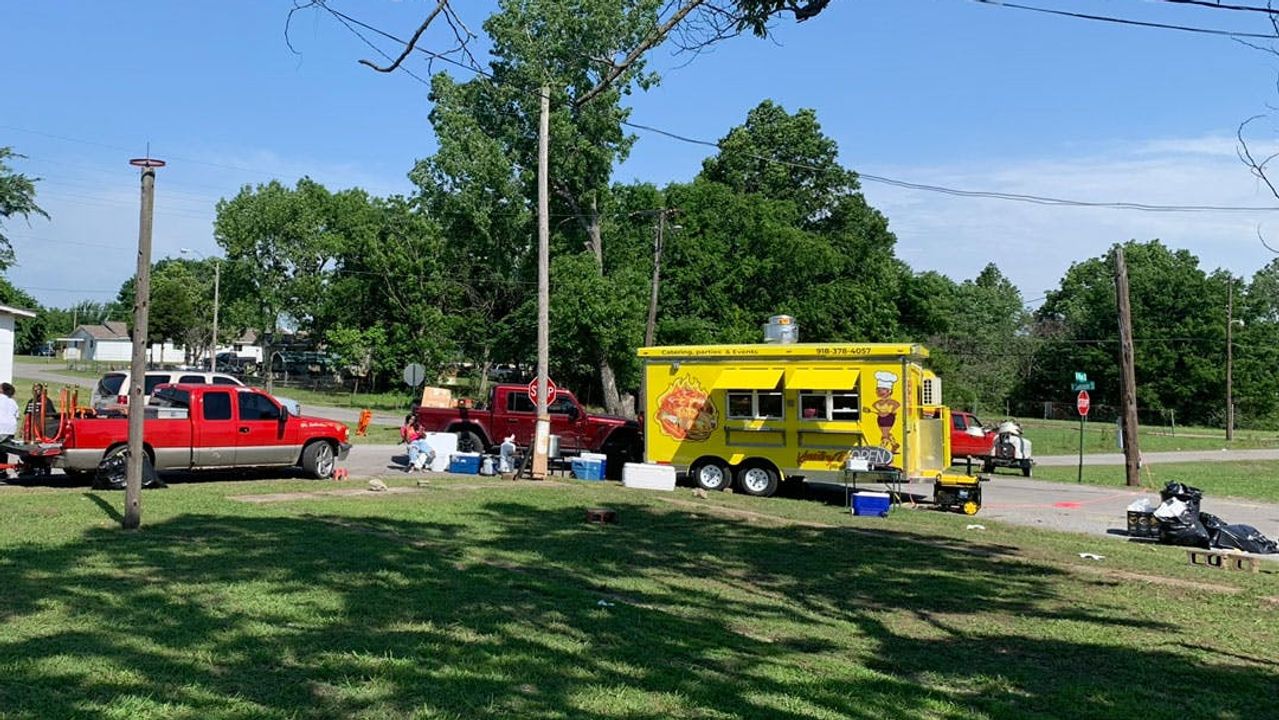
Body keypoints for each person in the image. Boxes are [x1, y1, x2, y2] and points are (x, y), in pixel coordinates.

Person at [0, 383, 19, 480]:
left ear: (2, 390)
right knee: (3, 449)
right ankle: (3, 471)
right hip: (10, 430)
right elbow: (17, 416)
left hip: (1, 428)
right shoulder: (12, 402)